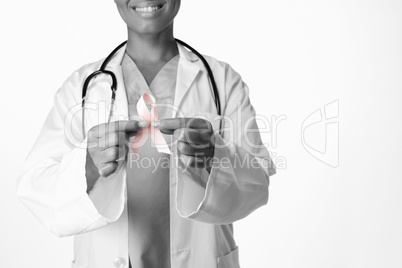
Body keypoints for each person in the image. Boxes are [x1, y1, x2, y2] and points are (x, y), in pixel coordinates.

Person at [17, 0, 276, 267]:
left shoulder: (222, 81)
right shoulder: (83, 86)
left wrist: (212, 159)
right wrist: (88, 166)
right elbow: (35, 188)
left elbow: (257, 185)